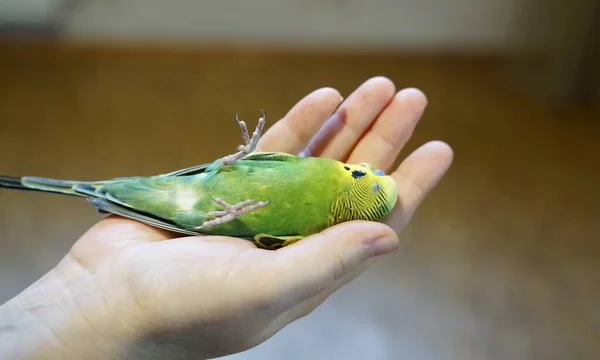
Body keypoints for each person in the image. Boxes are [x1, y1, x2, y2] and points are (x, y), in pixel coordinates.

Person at [0, 77, 453, 359]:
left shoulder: (313, 225)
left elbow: (266, 238)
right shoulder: (319, 170)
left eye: (372, 180)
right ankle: (84, 188)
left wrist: (223, 215)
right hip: (208, 182)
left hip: (199, 208)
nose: (373, 171)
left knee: (102, 189)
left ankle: (90, 189)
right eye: (374, 172)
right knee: (106, 187)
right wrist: (241, 158)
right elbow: (251, 166)